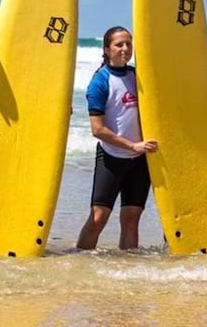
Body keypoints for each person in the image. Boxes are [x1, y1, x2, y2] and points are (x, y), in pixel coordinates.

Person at [77, 26, 158, 250]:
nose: (124, 49)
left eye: (128, 44)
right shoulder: (100, 81)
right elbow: (98, 129)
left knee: (131, 218)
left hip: (140, 160)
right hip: (111, 158)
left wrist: (206, 88)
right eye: (119, 44)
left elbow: (170, 93)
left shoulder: (138, 77)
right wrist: (132, 145)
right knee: (98, 217)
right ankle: (80, 262)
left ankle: (128, 267)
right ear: (106, 49)